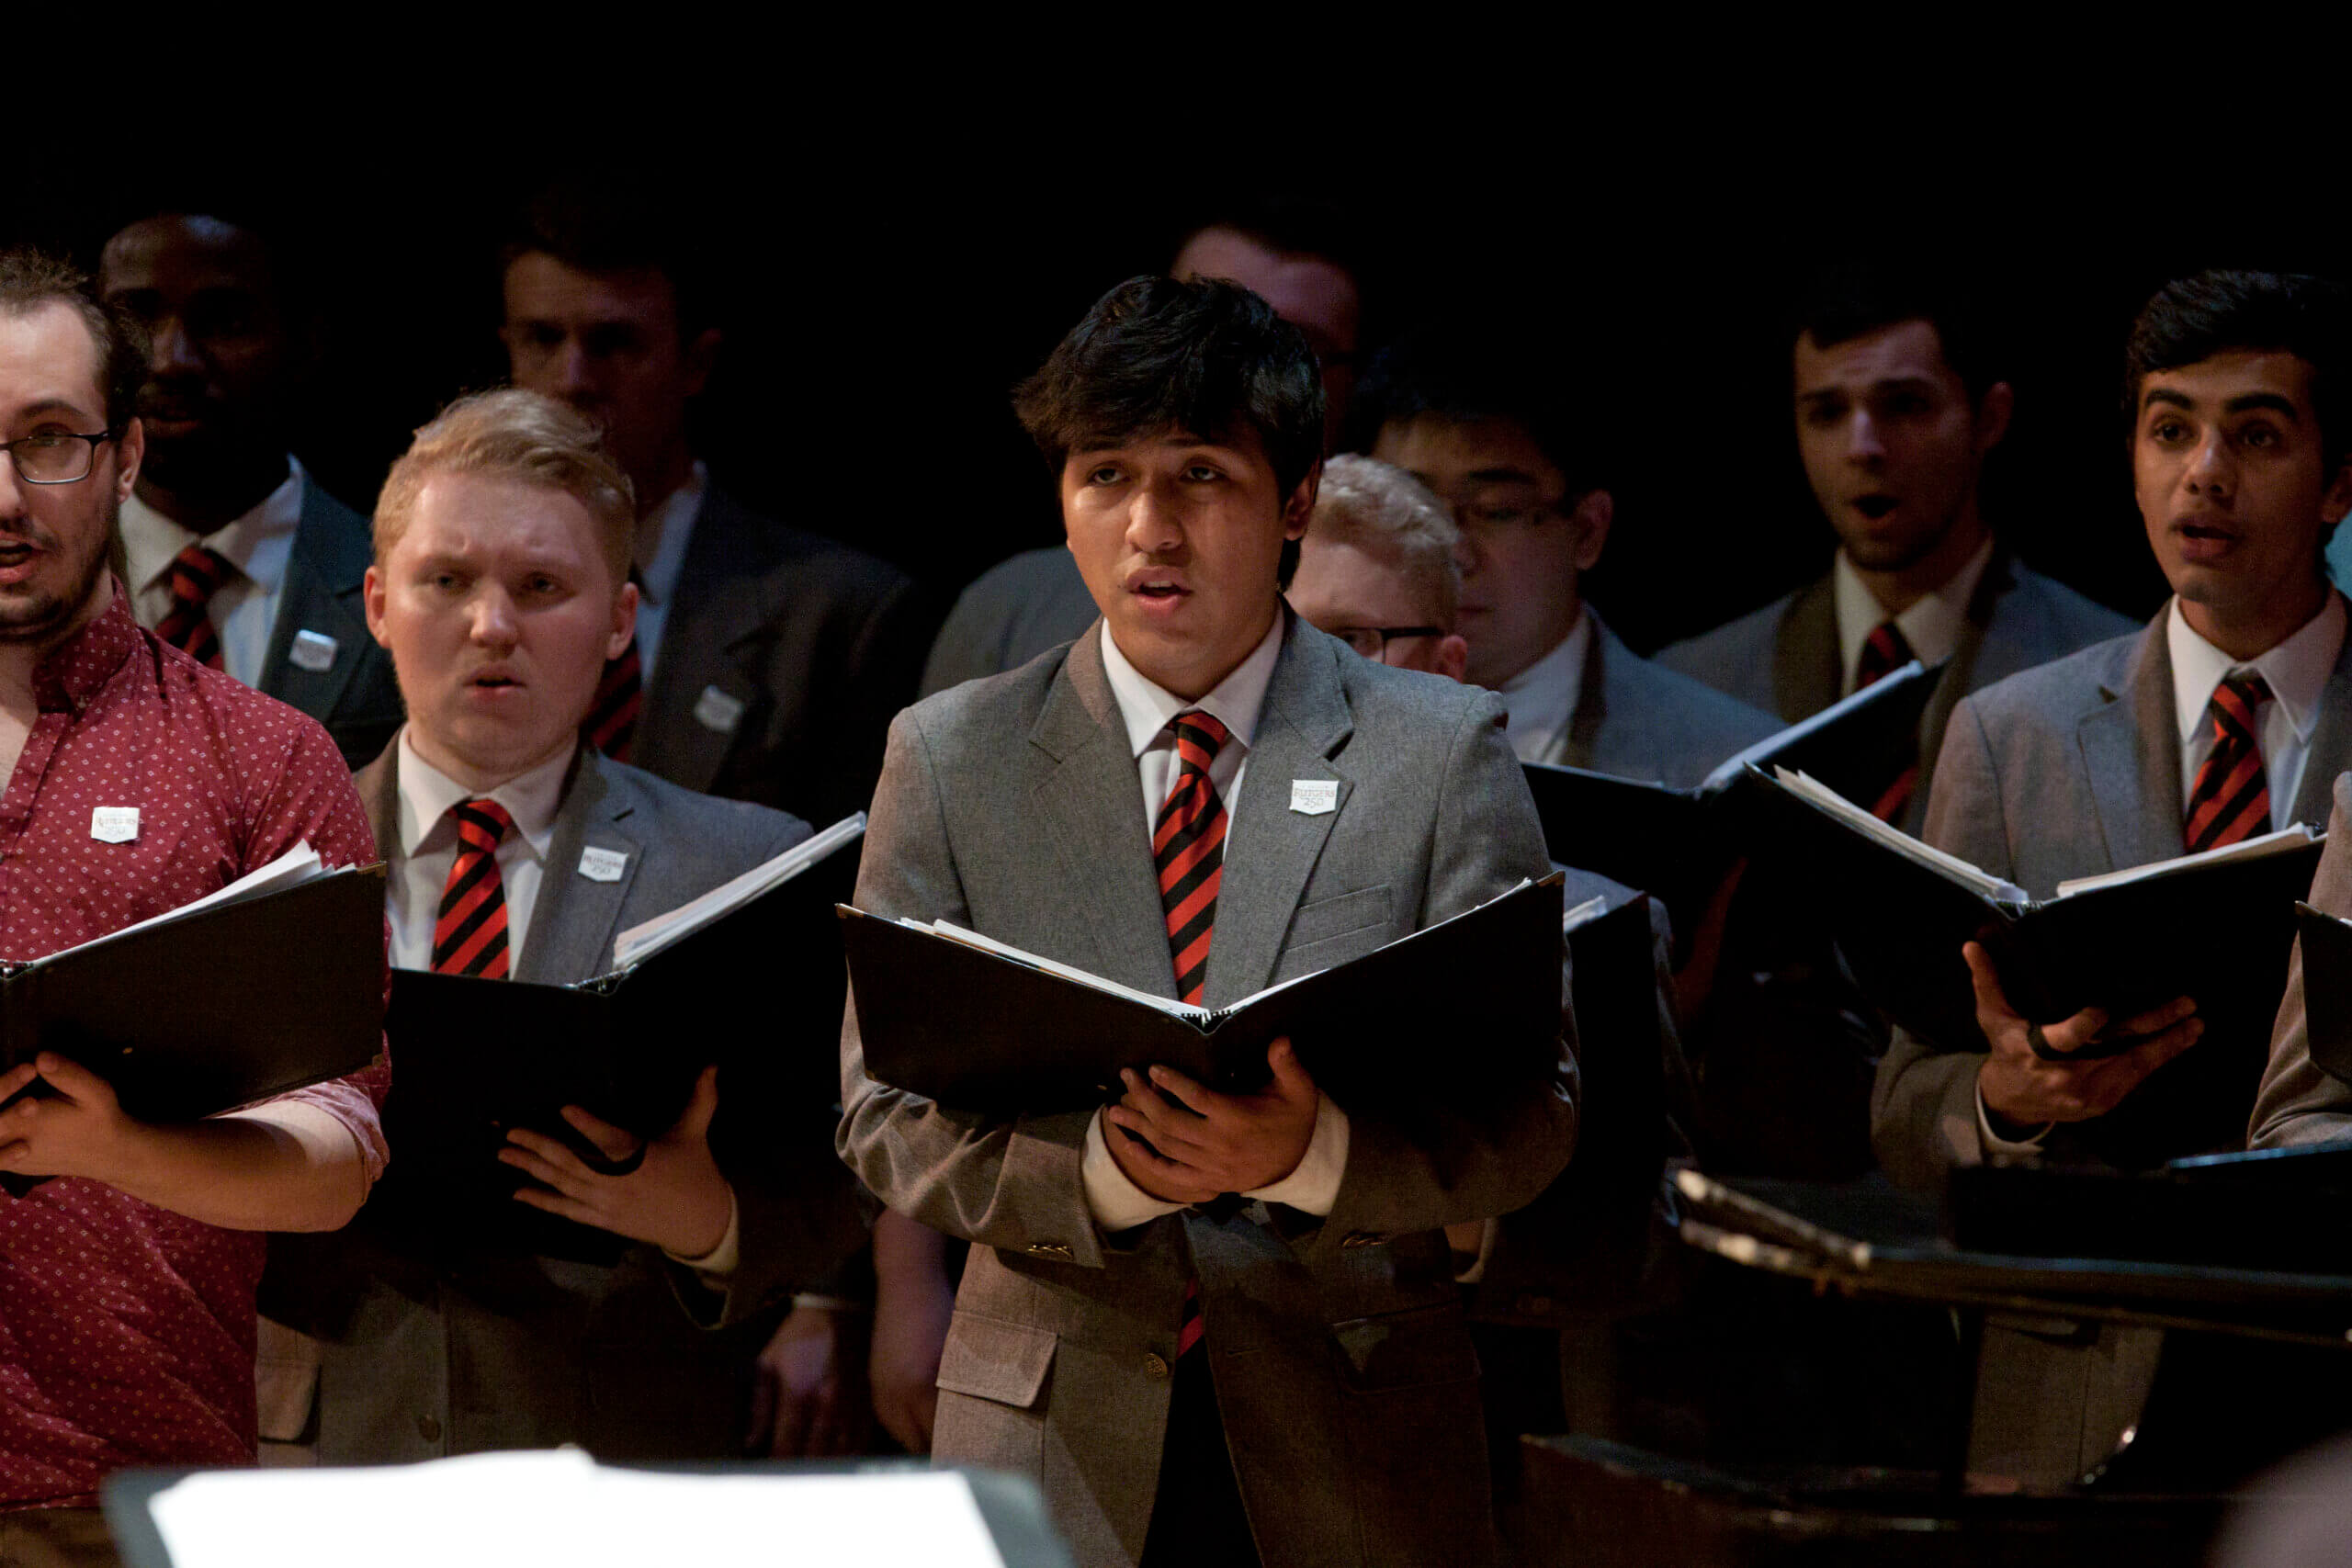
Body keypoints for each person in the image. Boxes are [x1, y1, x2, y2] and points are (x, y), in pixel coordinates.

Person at [838, 276, 1577, 1568]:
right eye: (1105, 476)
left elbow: (1532, 1113)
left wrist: (1309, 1156)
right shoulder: (951, 754)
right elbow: (883, 1117)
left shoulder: (1439, 746)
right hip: (1047, 1444)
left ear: (1294, 503)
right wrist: (1116, 1174)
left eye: (1200, 476)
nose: (1149, 528)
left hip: (1353, 1443)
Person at [257, 389, 864, 1464]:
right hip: (314, 1456)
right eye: (446, 581)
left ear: (621, 619)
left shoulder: (746, 866)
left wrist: (707, 1220)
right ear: (378, 602)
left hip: (618, 1461)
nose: (492, 624)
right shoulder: (260, 860)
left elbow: (832, 1183)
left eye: (541, 587)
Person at [1871, 270, 2352, 1484]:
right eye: (2170, 428)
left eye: (2256, 434)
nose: (2205, 471)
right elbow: (1901, 1107)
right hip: (2071, 1390)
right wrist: (2008, 1097)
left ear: (2341, 483)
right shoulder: (2006, 733)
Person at [0, 247, 389, 1561]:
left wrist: (112, 1148)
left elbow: (341, 1155)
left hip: (118, 1489)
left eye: (50, 441)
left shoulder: (263, 754)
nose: (5, 496)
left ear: (126, 454)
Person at [499, 180, 933, 825]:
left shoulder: (836, 617)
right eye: (542, 339)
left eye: (614, 343)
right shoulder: (443, 595)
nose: (572, 381)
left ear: (696, 365)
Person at [1658, 265, 2132, 827]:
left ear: (1989, 419)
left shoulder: (2116, 669)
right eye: (1827, 413)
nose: (1862, 447)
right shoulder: (1692, 682)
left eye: (1905, 406)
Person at [918, 201, 1366, 697]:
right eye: (1197, 319)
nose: (1229, 370)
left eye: (1201, 473)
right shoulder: (1008, 612)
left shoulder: (1427, 714)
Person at [1359, 331, 1781, 784]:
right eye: (1409, 505)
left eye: (1496, 511)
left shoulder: (1732, 764)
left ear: (1587, 531)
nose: (1449, 553)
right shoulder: (1303, 718)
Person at [96, 211, 402, 769]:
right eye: (134, 322)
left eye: (223, 323)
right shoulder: (36, 581)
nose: (171, 360)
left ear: (304, 343)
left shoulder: (398, 583)